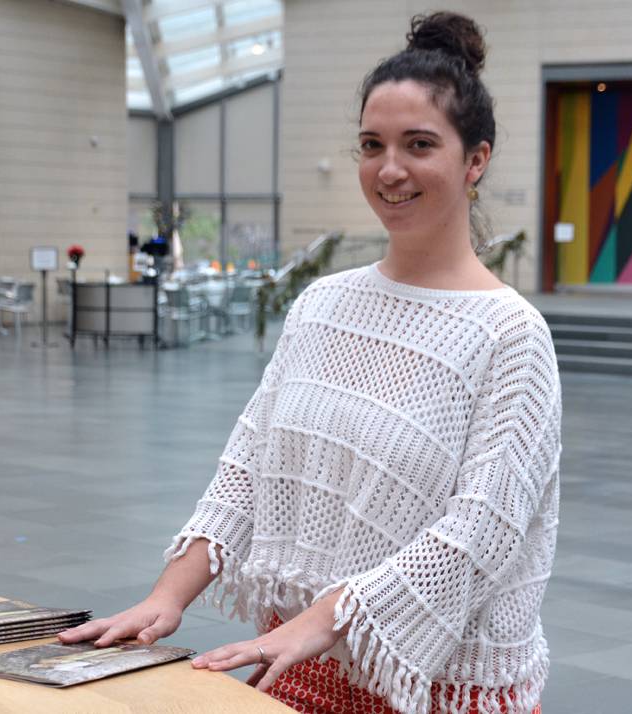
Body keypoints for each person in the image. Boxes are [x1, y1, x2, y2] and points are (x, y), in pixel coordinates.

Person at [60, 11, 561, 714]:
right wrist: (166, 598)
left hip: (437, 690)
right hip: (292, 668)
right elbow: (248, 467)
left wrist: (321, 621)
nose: (389, 170)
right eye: (371, 144)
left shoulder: (511, 334)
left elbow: (483, 531)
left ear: (475, 160)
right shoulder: (322, 305)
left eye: (419, 144)